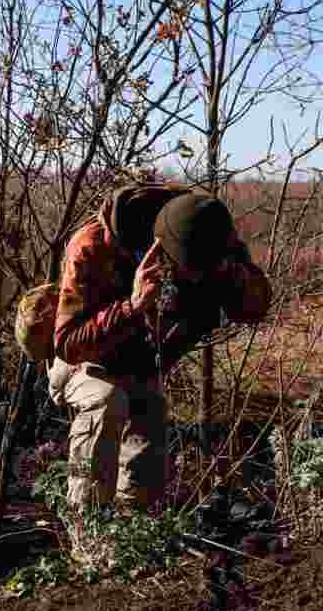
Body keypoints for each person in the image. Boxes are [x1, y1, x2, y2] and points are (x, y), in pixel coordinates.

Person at [48, 187, 272, 529]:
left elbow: (255, 307)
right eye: (187, 272)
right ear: (161, 252)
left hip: (140, 361)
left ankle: (130, 539)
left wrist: (231, 274)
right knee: (107, 401)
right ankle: (86, 536)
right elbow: (68, 342)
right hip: (86, 358)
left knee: (147, 463)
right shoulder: (94, 246)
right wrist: (132, 306)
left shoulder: (209, 232)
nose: (195, 280)